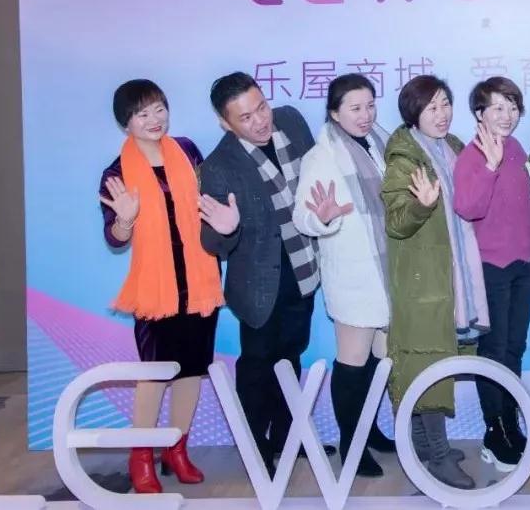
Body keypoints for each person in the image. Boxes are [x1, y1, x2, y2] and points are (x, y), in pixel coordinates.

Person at [198, 72, 331, 474]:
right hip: (259, 283)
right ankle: (256, 449)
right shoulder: (219, 166)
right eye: (245, 117)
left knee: (291, 356)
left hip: (303, 270)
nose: (260, 121)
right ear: (225, 123)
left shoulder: (290, 120)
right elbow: (212, 243)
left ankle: (289, 437)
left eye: (261, 107)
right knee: (258, 365)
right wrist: (226, 229)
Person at [98, 79, 222, 494]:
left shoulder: (187, 151)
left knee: (192, 372)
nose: (154, 119)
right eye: (142, 113)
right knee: (155, 374)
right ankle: (141, 456)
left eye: (159, 109)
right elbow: (114, 238)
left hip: (200, 282)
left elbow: (209, 204)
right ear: (125, 123)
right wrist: (125, 219)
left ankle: (176, 449)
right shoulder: (116, 174)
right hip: (156, 291)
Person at [382, 75, 490, 489]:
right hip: (422, 280)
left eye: (445, 104)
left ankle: (424, 447)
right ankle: (439, 456)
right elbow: (396, 221)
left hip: (454, 274)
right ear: (414, 113)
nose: (442, 114)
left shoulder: (453, 147)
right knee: (428, 364)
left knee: (436, 360)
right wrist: (420, 206)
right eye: (431, 108)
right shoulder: (404, 159)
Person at [291, 74, 395, 478]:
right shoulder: (322, 156)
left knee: (381, 361)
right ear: (335, 113)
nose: (365, 115)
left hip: (388, 272)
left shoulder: (382, 142)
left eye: (370, 105)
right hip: (354, 275)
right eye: (355, 108)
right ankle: (352, 445)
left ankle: (371, 430)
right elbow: (303, 216)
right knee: (353, 362)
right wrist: (322, 217)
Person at [452, 77, 530, 472]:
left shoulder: (517, 148)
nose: (507, 115)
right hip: (491, 268)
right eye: (498, 108)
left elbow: (529, 206)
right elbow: (467, 208)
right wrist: (489, 165)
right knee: (493, 353)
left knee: (514, 349)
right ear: (479, 114)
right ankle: (495, 432)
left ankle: (511, 425)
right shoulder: (472, 155)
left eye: (513, 107)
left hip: (523, 264)